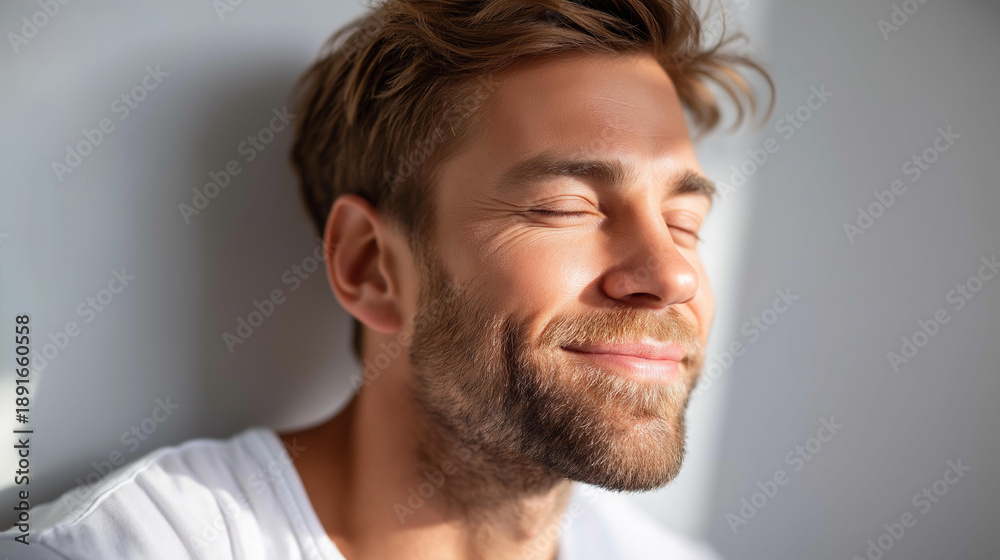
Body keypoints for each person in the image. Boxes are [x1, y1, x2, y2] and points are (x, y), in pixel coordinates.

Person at [0, 1, 771, 558]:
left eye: (685, 224)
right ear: (370, 265)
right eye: (564, 205)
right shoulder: (128, 548)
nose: (671, 273)